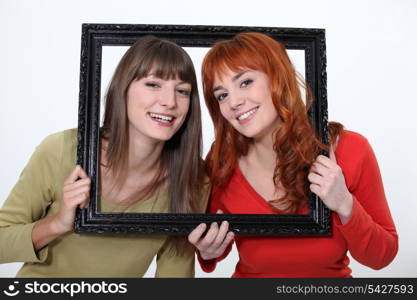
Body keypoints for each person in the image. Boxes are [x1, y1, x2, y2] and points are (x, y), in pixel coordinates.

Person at [188, 32, 398, 277]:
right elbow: (215, 243)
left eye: (245, 82)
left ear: (277, 78)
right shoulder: (222, 160)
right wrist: (208, 249)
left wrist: (344, 203)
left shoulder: (350, 149)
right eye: (222, 95)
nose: (233, 102)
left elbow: (381, 256)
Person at [0, 36, 209, 277]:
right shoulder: (62, 150)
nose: (169, 102)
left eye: (182, 91)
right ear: (124, 88)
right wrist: (57, 224)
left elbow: (175, 275)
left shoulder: (194, 178)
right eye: (153, 84)